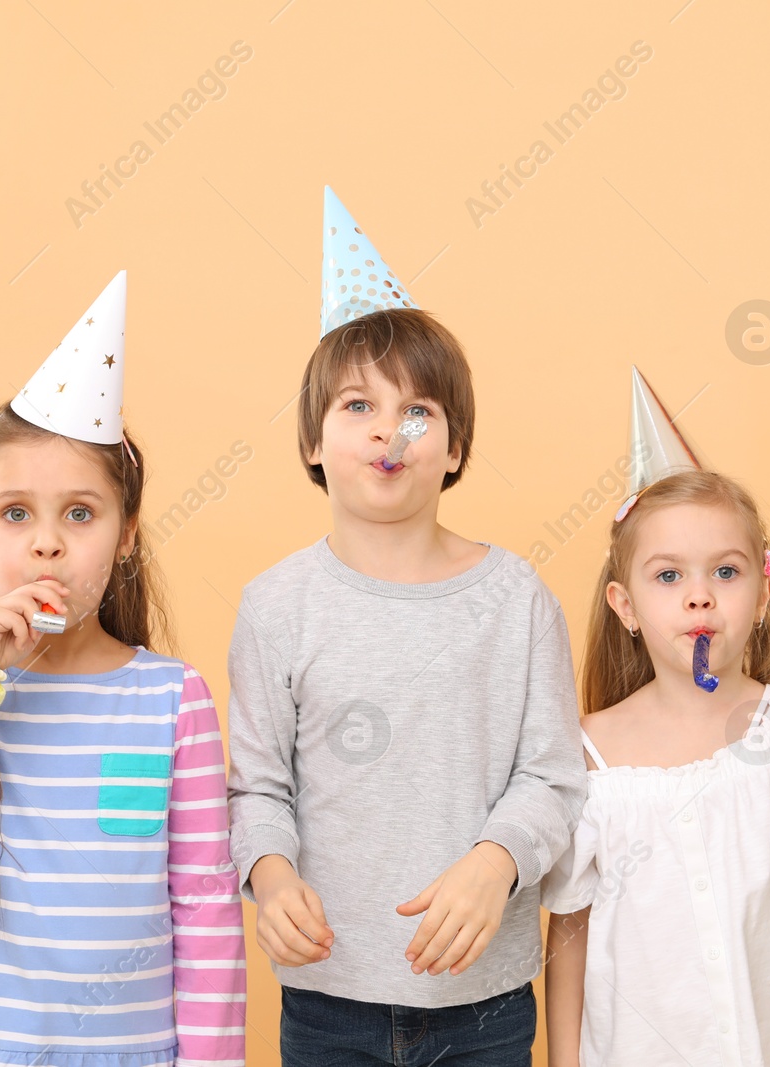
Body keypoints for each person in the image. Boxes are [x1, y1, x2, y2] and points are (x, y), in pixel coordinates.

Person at [0, 272, 247, 1067]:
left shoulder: (171, 700)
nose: (47, 543)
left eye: (81, 514)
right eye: (15, 512)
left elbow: (203, 907)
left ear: (126, 534)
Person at [225, 187, 585, 1066]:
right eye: (357, 407)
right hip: (326, 1002)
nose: (390, 429)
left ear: (455, 447)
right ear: (312, 441)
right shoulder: (276, 605)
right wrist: (270, 882)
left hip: (485, 1005)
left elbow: (553, 777)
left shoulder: (516, 597)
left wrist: (496, 859)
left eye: (418, 410)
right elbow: (257, 790)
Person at [541, 368, 770, 1067]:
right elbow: (568, 940)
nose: (699, 598)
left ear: (764, 591)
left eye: (725, 572)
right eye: (669, 576)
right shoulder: (587, 759)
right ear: (626, 605)